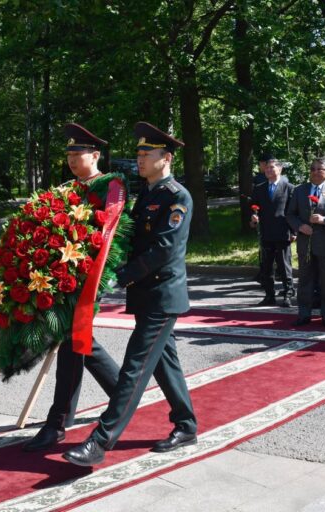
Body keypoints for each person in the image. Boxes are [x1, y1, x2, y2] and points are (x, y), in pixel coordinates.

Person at [64, 122, 197, 466]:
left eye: (147, 154)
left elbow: (163, 250)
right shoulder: (146, 196)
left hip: (162, 296)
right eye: (138, 153)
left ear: (166, 158)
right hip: (147, 295)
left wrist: (119, 277)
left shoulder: (177, 197)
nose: (139, 158)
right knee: (165, 363)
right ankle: (186, 425)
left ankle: (99, 441)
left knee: (134, 368)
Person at [22, 123, 121, 452]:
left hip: (90, 278)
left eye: (78, 153)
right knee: (77, 341)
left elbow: (112, 235)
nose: (72, 159)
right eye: (69, 154)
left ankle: (57, 422)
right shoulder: (66, 189)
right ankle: (123, 395)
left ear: (95, 155)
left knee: (74, 340)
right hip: (64, 279)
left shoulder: (111, 187)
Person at [286, 157, 325, 327]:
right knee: (305, 281)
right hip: (305, 243)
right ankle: (304, 314)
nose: (314, 172)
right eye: (312, 169)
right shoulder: (300, 190)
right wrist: (300, 226)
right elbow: (290, 214)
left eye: (319, 169)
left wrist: (324, 220)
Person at [250, 156, 296, 307]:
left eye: (272, 167)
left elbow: (293, 211)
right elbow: (254, 206)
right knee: (267, 266)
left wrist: (294, 232)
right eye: (267, 168)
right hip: (266, 232)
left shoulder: (289, 187)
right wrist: (254, 217)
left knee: (284, 266)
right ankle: (269, 295)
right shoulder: (259, 188)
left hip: (283, 232)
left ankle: (288, 294)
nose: (268, 170)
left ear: (280, 169)